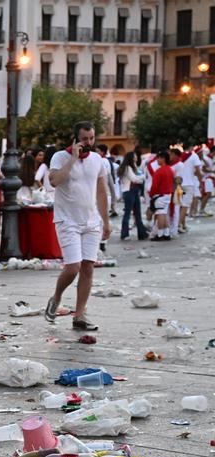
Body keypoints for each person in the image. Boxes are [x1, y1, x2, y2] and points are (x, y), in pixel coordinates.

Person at [44, 121, 108, 331]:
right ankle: (57, 297)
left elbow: (101, 191)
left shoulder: (98, 160)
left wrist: (106, 220)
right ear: (75, 139)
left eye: (91, 138)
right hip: (67, 220)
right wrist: (72, 159)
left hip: (91, 221)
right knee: (73, 267)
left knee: (88, 267)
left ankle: (80, 315)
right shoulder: (60, 157)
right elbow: (54, 181)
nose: (88, 143)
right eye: (84, 139)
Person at [146, 148, 176, 241]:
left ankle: (160, 235)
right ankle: (166, 233)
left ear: (163, 159)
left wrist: (151, 194)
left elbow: (155, 186)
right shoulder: (170, 170)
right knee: (164, 214)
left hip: (160, 195)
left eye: (159, 158)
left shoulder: (159, 171)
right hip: (168, 194)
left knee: (160, 215)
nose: (157, 160)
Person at [118, 151, 148, 241]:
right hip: (129, 191)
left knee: (137, 213)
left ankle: (142, 233)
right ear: (131, 158)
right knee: (128, 213)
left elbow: (139, 176)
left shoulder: (133, 166)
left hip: (134, 191)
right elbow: (135, 179)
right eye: (135, 156)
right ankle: (124, 234)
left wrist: (141, 178)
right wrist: (142, 178)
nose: (136, 157)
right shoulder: (127, 168)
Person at [177, 145, 203, 233]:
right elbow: (198, 170)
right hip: (189, 185)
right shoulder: (194, 156)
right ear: (191, 147)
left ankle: (183, 225)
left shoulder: (180, 156)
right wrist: (200, 180)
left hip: (180, 184)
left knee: (181, 204)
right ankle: (179, 225)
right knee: (185, 206)